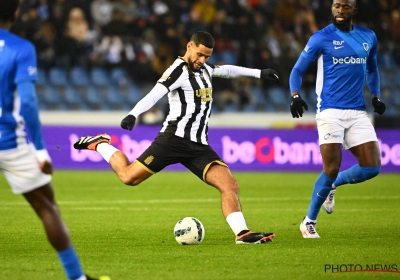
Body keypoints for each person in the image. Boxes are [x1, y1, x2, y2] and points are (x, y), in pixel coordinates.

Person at [74, 31, 280, 244]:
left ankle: (242, 234)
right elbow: (155, 94)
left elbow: (226, 70)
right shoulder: (177, 71)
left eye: (207, 56)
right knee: (128, 177)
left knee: (230, 185)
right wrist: (133, 113)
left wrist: (259, 73)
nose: (202, 60)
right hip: (173, 140)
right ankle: (100, 144)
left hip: (199, 145)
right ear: (189, 46)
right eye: (200, 54)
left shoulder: (205, 68)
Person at [0, 1, 110, 279]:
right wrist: (40, 149)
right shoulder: (21, 48)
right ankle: (77, 277)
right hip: (8, 141)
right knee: (46, 206)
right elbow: (28, 103)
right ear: (14, 12)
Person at [289, 0, 386, 238]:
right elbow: (297, 70)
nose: (340, 10)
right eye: (336, 5)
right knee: (330, 167)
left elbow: (372, 69)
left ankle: (333, 185)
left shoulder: (368, 37)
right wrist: (295, 95)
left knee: (372, 167)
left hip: (357, 111)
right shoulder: (321, 38)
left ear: (354, 10)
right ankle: (309, 221)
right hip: (330, 111)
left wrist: (375, 96)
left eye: (345, 6)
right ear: (332, 8)